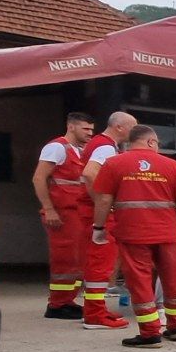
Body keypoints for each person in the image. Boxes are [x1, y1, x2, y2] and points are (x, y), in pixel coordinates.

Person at [90, 125, 176, 348]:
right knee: (173, 278)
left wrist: (98, 227)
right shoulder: (172, 165)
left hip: (133, 232)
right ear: (150, 141)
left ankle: (150, 333)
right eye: (157, 143)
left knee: (140, 281)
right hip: (168, 232)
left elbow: (103, 200)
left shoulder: (114, 163)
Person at [30, 111, 96, 319]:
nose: (90, 133)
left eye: (91, 130)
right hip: (62, 213)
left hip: (77, 213)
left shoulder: (81, 152)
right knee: (65, 259)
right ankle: (58, 304)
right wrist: (49, 209)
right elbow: (39, 178)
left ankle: (67, 300)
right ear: (71, 127)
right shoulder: (57, 148)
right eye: (86, 129)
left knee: (77, 259)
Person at [76, 110, 137, 329]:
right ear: (119, 127)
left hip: (89, 210)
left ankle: (95, 309)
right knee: (100, 262)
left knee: (97, 261)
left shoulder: (100, 144)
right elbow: (90, 173)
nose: (134, 132)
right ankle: (94, 315)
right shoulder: (105, 147)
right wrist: (103, 203)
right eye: (132, 127)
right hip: (97, 212)